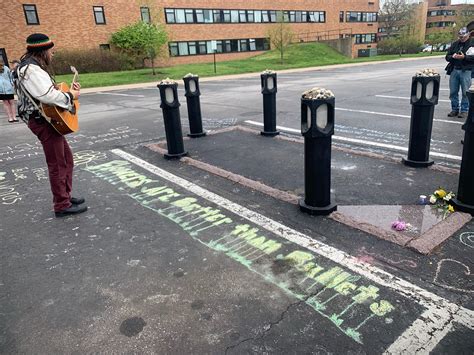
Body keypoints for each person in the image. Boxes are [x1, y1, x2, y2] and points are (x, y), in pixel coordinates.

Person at [13, 33, 87, 217]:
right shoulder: (30, 70)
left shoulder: (32, 67)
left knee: (66, 159)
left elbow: (46, 92)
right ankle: (61, 205)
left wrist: (68, 91)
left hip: (46, 119)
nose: (52, 54)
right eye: (51, 51)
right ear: (43, 51)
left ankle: (65, 196)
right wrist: (71, 96)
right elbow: (46, 96)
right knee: (57, 163)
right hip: (43, 121)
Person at [445, 27, 474, 119]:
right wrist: (453, 56)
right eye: (460, 37)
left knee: (465, 92)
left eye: (463, 37)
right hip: (454, 69)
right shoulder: (455, 44)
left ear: (468, 35)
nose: (461, 38)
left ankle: (464, 110)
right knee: (453, 91)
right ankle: (455, 109)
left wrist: (464, 57)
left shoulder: (472, 44)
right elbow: (447, 56)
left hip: (466, 70)